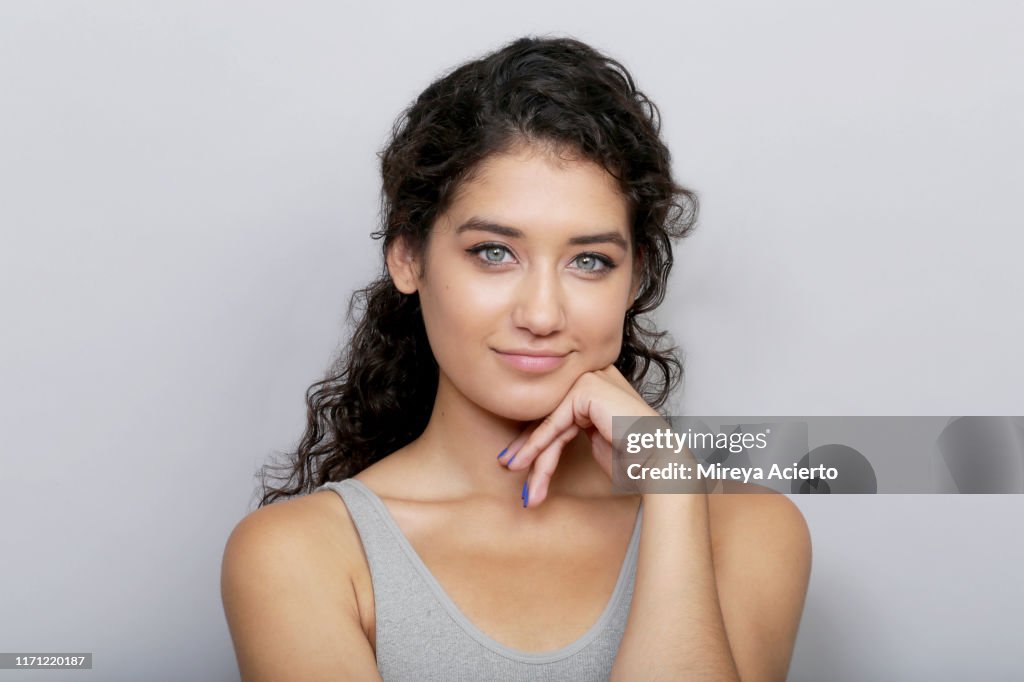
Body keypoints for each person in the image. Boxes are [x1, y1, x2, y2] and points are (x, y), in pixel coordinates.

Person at [221, 35, 811, 681]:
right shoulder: (300, 554)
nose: (541, 314)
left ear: (634, 279)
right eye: (494, 252)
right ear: (407, 258)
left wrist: (672, 492)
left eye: (590, 261)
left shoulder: (749, 531)